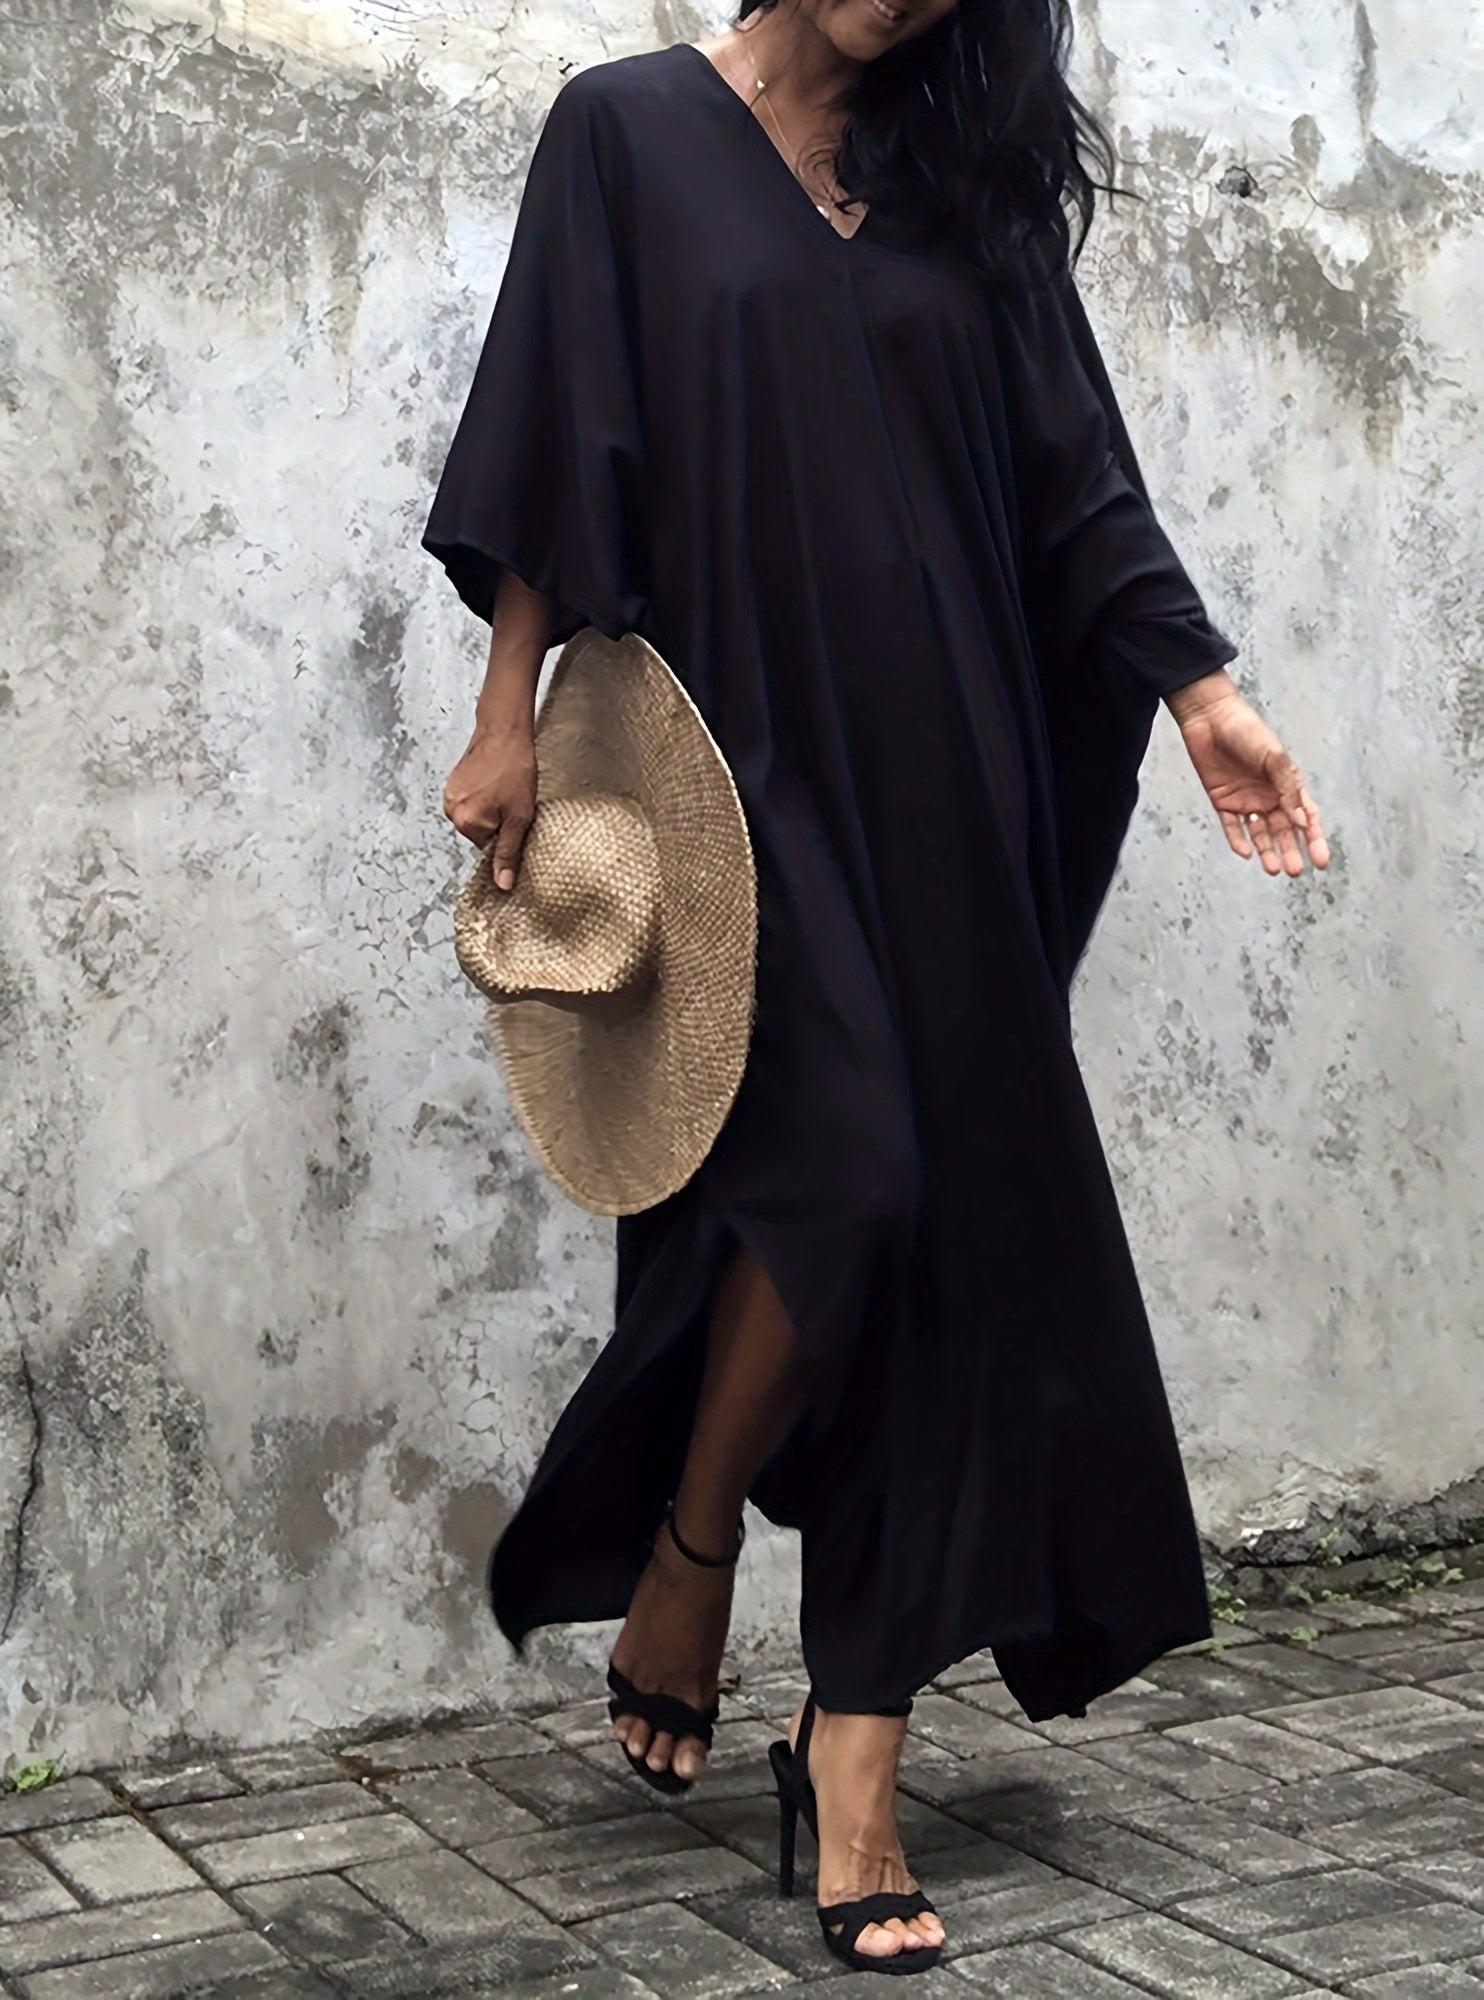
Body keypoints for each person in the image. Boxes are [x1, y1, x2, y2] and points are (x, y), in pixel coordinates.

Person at [424, 0, 1330, 1973]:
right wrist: (507, 711)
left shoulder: (958, 179)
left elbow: (1077, 475)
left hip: (953, 772)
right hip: (735, 777)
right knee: (852, 1181)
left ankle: (854, 1760)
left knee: (949, 1233)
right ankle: (690, 1545)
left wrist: (1204, 695)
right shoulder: (627, 133)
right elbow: (553, 427)